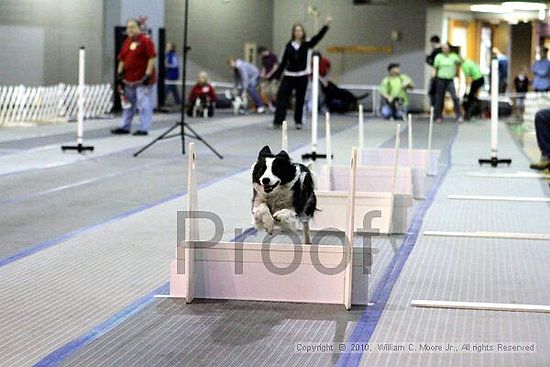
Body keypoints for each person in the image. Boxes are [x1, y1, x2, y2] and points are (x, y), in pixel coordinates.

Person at [273, 17, 332, 129]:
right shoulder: (288, 46)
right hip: (289, 76)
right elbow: (283, 62)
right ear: (293, 32)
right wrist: (276, 77)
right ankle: (278, 121)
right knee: (282, 98)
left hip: (302, 76)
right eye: (296, 30)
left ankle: (298, 121)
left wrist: (326, 26)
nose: (298, 32)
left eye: (300, 30)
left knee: (300, 100)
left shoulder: (307, 44)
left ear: (303, 32)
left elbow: (318, 37)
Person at [112, 19, 156, 136]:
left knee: (143, 104)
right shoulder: (127, 42)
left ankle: (144, 128)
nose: (130, 29)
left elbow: (151, 58)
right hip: (128, 79)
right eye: (128, 27)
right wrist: (119, 73)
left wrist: (147, 74)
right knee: (127, 104)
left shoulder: (146, 41)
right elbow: (122, 59)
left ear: (139, 27)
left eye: (132, 27)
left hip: (142, 79)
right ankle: (124, 126)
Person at [433, 43, 462, 123]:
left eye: (446, 48)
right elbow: (435, 68)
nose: (444, 49)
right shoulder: (438, 57)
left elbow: (460, 63)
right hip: (440, 79)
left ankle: (459, 115)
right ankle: (438, 116)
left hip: (450, 79)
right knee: (439, 98)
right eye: (443, 48)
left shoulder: (453, 56)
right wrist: (433, 78)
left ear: (449, 48)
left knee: (454, 97)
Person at [258, 47, 279, 111]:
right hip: (267, 78)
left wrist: (269, 74)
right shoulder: (263, 58)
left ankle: (277, 105)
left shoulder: (273, 56)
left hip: (274, 77)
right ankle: (271, 106)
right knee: (266, 92)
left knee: (273, 91)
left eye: (261, 53)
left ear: (264, 51)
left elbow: (275, 67)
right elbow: (264, 67)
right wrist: (262, 74)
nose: (261, 55)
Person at [426, 35, 442, 106]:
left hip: (437, 75)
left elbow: (434, 64)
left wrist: (428, 59)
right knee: (437, 93)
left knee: (432, 92)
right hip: (439, 75)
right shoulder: (441, 51)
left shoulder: (436, 52)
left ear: (433, 42)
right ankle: (436, 110)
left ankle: (434, 109)